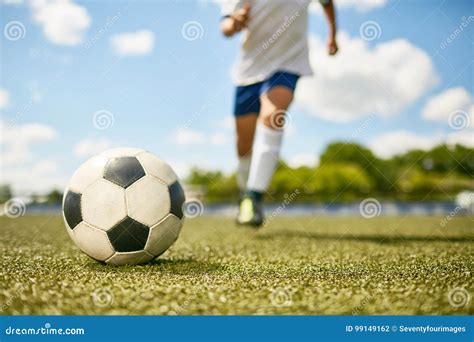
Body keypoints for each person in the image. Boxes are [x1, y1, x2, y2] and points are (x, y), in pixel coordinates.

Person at [220, 0, 338, 227]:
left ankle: (254, 197)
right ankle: (244, 191)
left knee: (272, 116)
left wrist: (332, 34)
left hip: (288, 64)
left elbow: (327, 3)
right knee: (243, 145)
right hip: (249, 71)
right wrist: (234, 23)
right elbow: (225, 27)